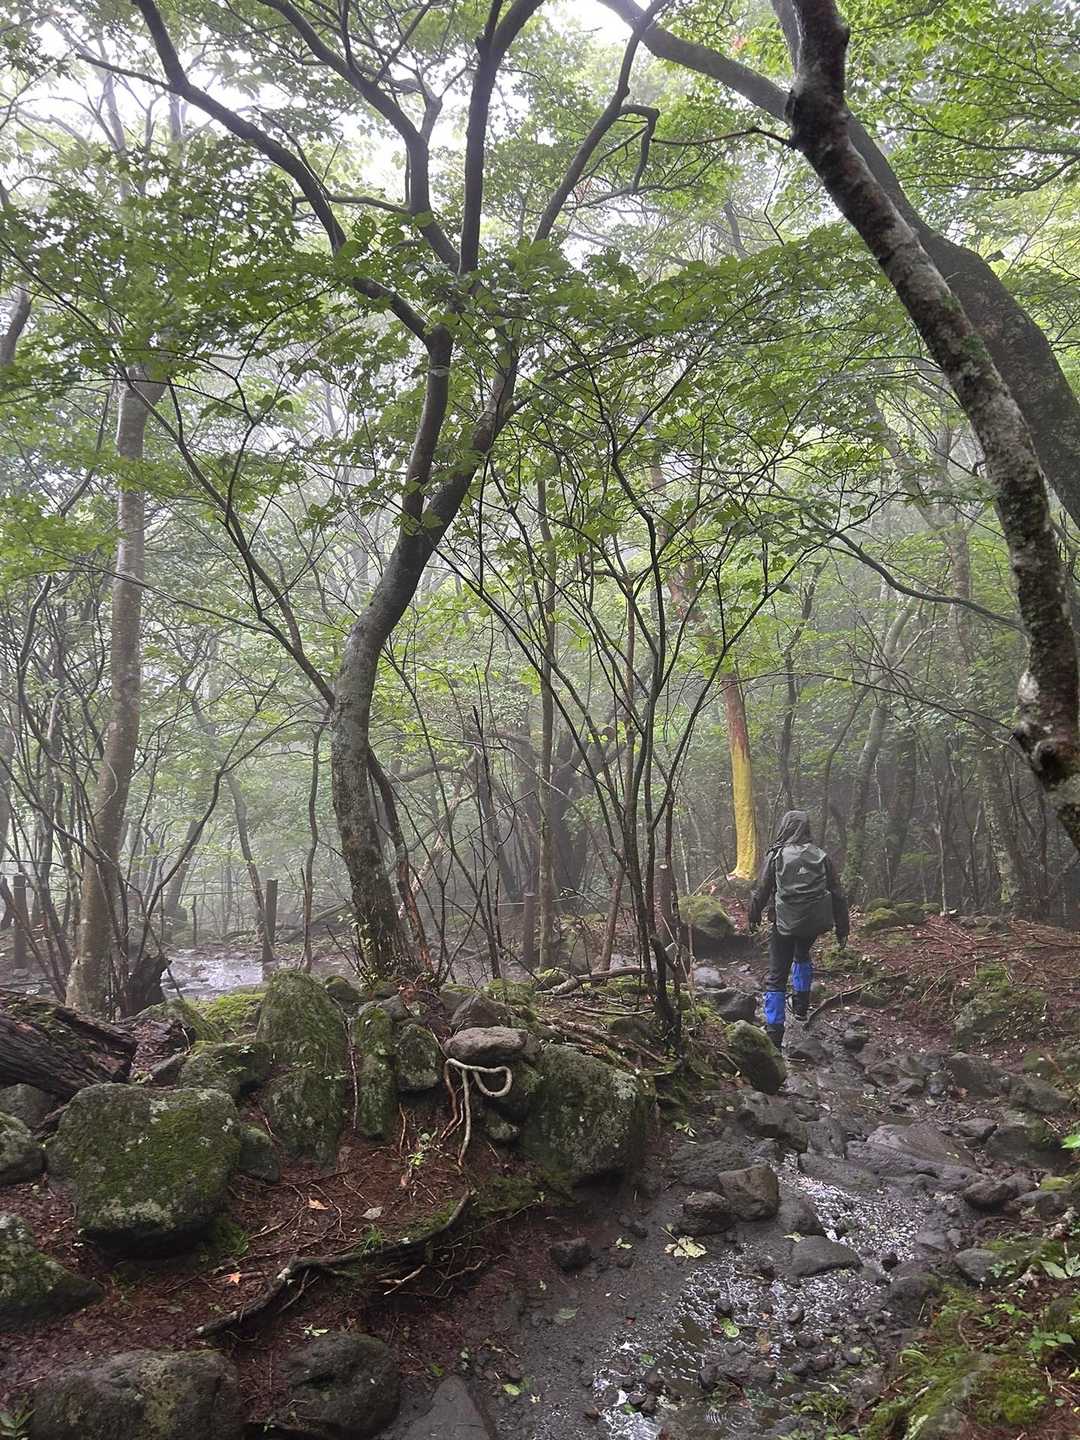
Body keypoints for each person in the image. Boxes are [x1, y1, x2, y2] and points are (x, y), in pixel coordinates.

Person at [747, 809, 849, 1050]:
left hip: (783, 923)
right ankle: (801, 1007)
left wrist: (753, 916)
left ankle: (774, 1033)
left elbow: (761, 889)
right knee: (802, 955)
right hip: (813, 922)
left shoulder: (776, 855)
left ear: (785, 827)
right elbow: (838, 894)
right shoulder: (821, 856)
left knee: (777, 975)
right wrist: (842, 928)